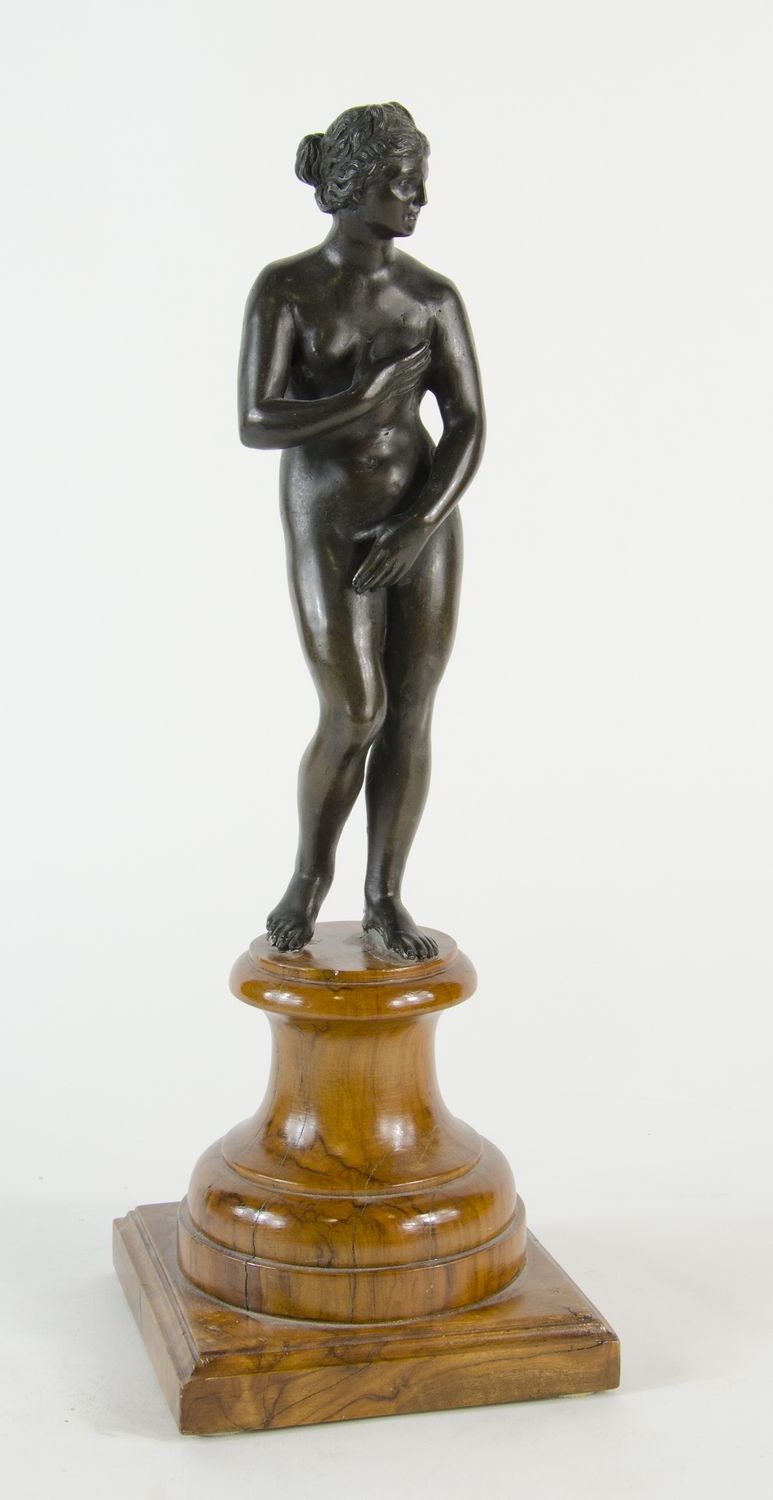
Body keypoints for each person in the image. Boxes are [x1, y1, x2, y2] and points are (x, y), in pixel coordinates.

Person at [238, 102, 485, 960]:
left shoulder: (430, 297)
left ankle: (384, 895)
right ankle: (309, 878)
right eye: (400, 182)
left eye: (419, 179)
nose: (418, 197)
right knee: (354, 708)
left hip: (421, 517)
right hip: (328, 516)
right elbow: (258, 420)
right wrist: (366, 398)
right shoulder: (288, 290)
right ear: (349, 186)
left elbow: (466, 423)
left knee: (410, 708)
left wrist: (420, 523)